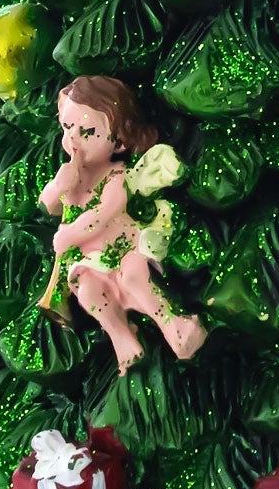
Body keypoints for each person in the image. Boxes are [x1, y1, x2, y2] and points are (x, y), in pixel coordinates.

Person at [35, 75, 206, 371]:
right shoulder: (71, 176)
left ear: (120, 141)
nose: (73, 139)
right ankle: (122, 338)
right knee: (88, 293)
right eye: (67, 126)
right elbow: (47, 205)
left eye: (87, 132)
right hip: (91, 261)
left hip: (125, 247)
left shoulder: (117, 176)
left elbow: (103, 215)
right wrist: (57, 187)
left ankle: (175, 326)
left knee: (135, 277)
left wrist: (71, 234)